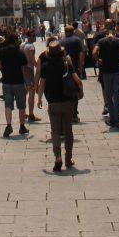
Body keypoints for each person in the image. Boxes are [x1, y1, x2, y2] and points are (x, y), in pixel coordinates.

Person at [37, 37, 82, 170]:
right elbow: (77, 79)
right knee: (68, 131)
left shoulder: (45, 66)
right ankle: (68, 158)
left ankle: (58, 157)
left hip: (53, 102)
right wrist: (80, 90)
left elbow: (42, 83)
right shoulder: (66, 63)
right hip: (67, 101)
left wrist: (39, 98)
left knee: (55, 131)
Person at [94, 20, 119, 131]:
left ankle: (112, 120)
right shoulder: (118, 40)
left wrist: (99, 60)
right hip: (117, 70)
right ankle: (118, 121)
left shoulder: (101, 40)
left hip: (106, 71)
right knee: (117, 96)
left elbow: (94, 52)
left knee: (108, 96)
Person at [0, 31, 30, 138]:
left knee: (8, 105)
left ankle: (8, 125)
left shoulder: (2, 52)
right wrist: (28, 82)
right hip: (19, 82)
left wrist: (3, 71)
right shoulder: (20, 53)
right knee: (21, 105)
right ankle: (22, 126)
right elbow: (25, 69)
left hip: (6, 82)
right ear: (16, 41)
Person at [60, 25, 85, 122]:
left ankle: (68, 112)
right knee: (75, 90)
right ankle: (74, 112)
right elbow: (81, 54)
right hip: (75, 68)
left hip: (64, 70)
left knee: (66, 89)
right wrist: (81, 66)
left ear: (65, 32)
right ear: (73, 31)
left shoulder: (61, 42)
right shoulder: (77, 40)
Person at [21, 29, 39, 122]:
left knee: (24, 93)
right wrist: (39, 68)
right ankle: (31, 114)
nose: (35, 37)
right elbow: (33, 61)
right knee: (31, 92)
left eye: (35, 35)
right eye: (33, 36)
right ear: (28, 37)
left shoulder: (22, 45)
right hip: (29, 70)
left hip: (22, 70)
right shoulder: (31, 46)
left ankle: (23, 113)